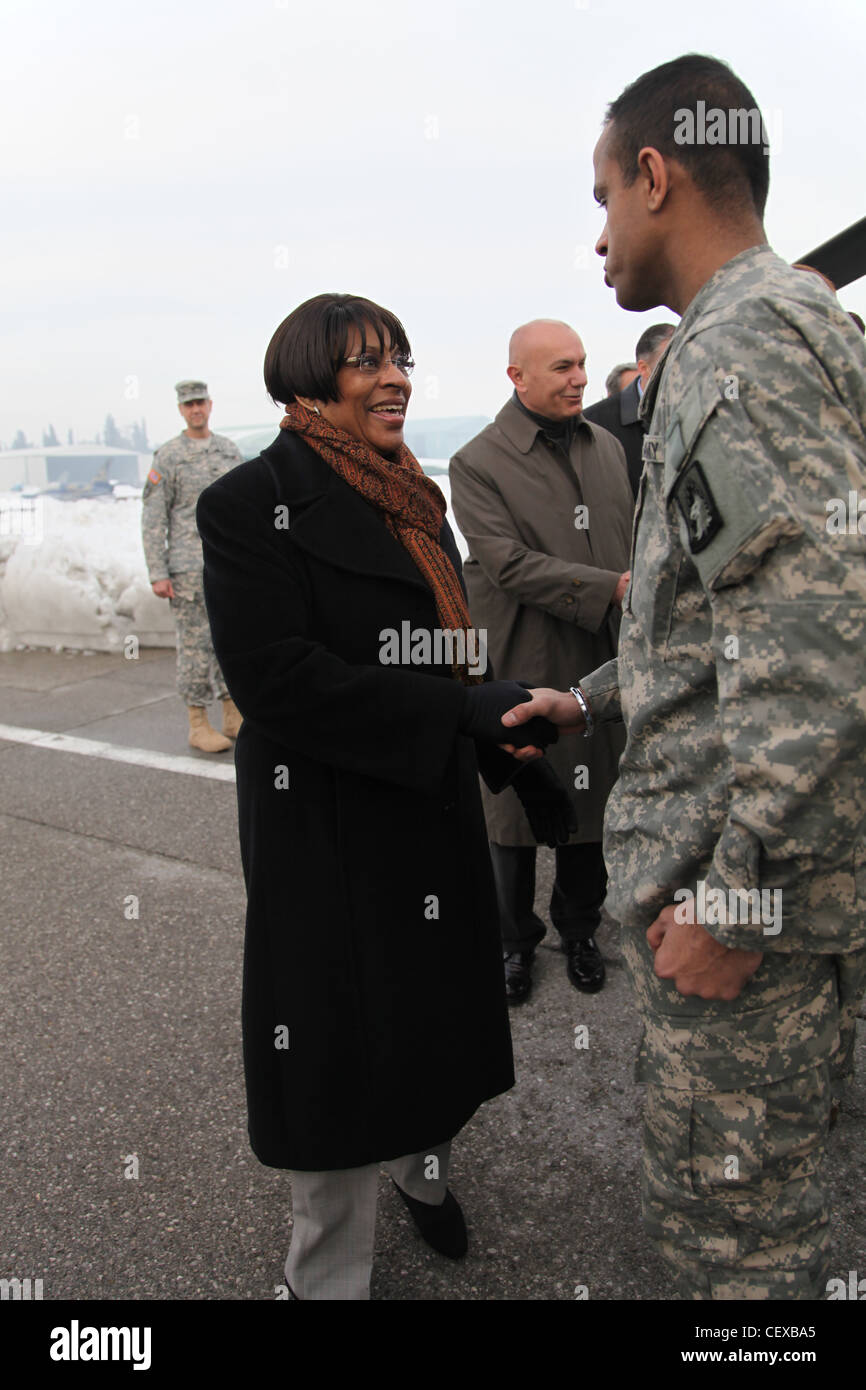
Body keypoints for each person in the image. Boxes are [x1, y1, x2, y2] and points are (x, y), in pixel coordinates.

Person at [501, 54, 866, 1299]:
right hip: (774, 883)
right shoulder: (791, 323)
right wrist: (588, 697)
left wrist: (733, 905)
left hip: (747, 907)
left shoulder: (734, 350)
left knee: (738, 1252)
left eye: (602, 195)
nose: (597, 234)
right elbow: (727, 621)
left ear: (654, 176)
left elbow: (819, 654)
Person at [195, 293, 566, 1301]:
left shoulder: (414, 494)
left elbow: (449, 653)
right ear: (308, 377)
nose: (395, 376)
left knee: (432, 1021)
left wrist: (496, 738)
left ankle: (422, 1169)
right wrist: (458, 716)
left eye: (400, 357)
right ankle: (324, 1274)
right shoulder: (245, 504)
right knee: (330, 1047)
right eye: (366, 361)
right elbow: (276, 682)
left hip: (428, 804)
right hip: (324, 822)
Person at [450, 320, 633, 1004]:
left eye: (582, 364)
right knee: (514, 816)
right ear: (516, 377)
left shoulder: (608, 448)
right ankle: (513, 943)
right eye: (561, 367)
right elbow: (507, 563)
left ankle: (580, 931)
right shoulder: (478, 462)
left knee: (591, 810)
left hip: (601, 657)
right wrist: (612, 587)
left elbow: (634, 535)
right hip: (522, 661)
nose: (579, 378)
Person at [141, 381, 243, 752]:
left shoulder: (228, 452)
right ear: (181, 410)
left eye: (200, 402)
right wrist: (158, 571)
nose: (195, 409)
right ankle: (197, 721)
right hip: (186, 569)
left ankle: (232, 714)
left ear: (210, 405)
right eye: (189, 405)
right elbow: (154, 517)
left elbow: (244, 508)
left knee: (229, 637)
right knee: (195, 644)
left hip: (226, 565)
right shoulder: (168, 457)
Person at [584, 324, 675, 498]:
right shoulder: (594, 423)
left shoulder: (700, 413)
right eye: (672, 363)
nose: (682, 372)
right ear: (643, 368)